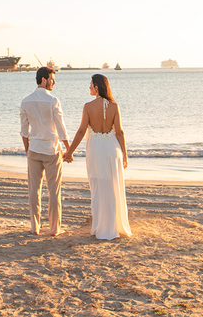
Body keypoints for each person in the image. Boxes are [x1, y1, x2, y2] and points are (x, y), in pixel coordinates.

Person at [65, 73, 131, 240]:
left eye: (90, 84)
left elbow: (81, 131)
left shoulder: (88, 107)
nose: (89, 87)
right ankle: (115, 226)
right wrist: (124, 154)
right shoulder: (115, 106)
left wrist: (69, 152)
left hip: (96, 149)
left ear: (96, 87)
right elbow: (120, 132)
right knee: (113, 185)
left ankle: (101, 227)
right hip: (112, 148)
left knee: (99, 187)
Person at [20, 66, 72, 235]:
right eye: (52, 79)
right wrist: (68, 149)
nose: (54, 82)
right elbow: (61, 128)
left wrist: (28, 150)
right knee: (54, 190)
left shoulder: (25, 101)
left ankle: (35, 227)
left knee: (34, 190)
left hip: (34, 150)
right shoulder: (53, 101)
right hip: (51, 150)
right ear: (44, 80)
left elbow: (24, 131)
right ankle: (54, 229)